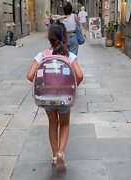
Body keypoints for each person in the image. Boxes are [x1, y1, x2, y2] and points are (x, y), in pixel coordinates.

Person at [26, 22, 83, 171]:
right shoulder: (69, 56)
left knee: (52, 123)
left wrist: (42, 85)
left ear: (49, 38)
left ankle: (53, 155)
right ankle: (61, 153)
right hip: (64, 97)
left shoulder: (42, 55)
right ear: (65, 37)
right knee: (64, 124)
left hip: (46, 97)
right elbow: (79, 75)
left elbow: (30, 75)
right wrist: (72, 85)